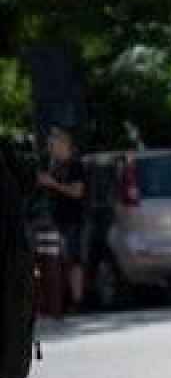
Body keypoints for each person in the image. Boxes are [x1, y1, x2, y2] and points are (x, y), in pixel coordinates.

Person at [35, 126, 87, 313]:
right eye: (49, 145)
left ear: (64, 145)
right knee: (55, 261)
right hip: (54, 220)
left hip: (73, 219)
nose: (50, 148)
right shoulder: (54, 165)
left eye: (53, 144)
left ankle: (77, 301)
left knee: (73, 260)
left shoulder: (75, 165)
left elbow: (77, 192)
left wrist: (53, 184)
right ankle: (57, 301)